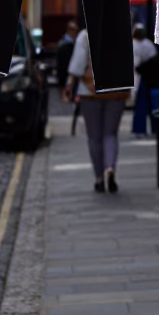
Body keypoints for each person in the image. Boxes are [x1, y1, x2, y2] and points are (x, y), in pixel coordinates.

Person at [65, 28, 130, 193]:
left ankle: (99, 178)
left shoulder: (85, 35)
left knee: (94, 137)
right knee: (110, 134)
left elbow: (77, 65)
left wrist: (70, 85)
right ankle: (110, 168)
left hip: (90, 89)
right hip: (116, 89)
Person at [132, 23, 158, 136]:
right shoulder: (148, 45)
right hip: (147, 77)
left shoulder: (134, 44)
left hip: (142, 77)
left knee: (141, 105)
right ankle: (152, 128)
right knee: (150, 104)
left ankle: (139, 129)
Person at [55, 20, 79, 91]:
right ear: (68, 30)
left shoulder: (75, 42)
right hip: (66, 75)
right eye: (72, 29)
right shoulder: (63, 44)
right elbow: (61, 64)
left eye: (75, 30)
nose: (74, 32)